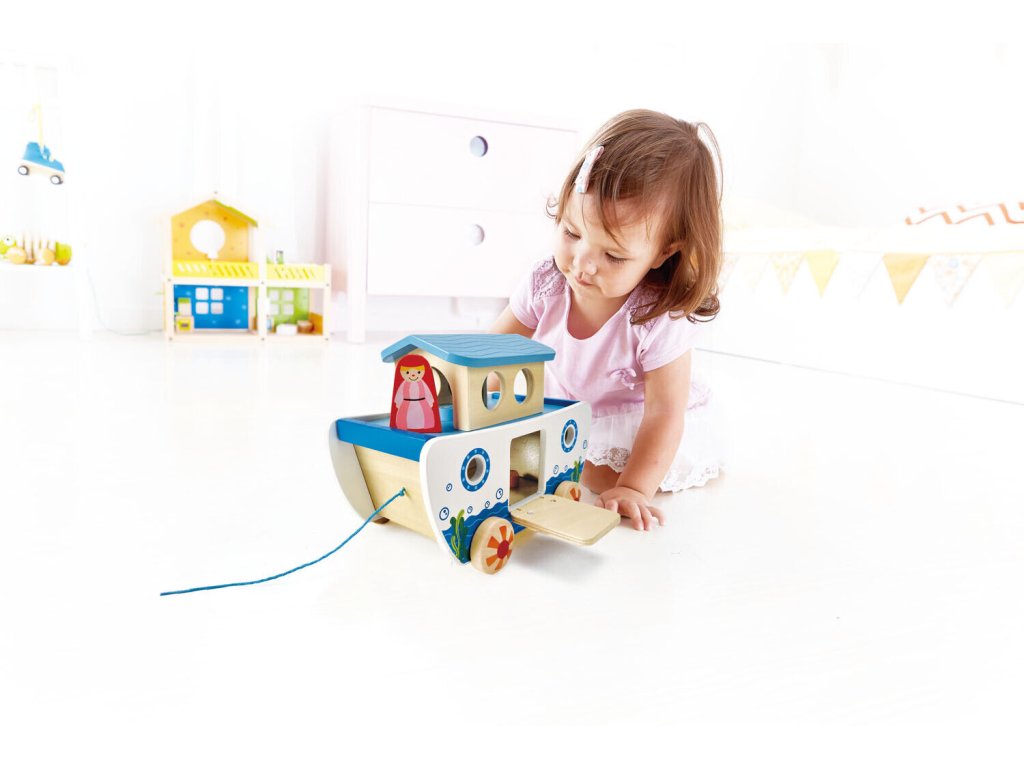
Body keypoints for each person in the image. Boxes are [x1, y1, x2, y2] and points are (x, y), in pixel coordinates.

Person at [490, 109, 723, 531]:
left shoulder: (657, 318)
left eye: (613, 255)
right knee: (520, 453)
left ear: (664, 252)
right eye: (571, 232)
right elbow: (495, 353)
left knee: (599, 479)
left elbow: (664, 413)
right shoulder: (547, 283)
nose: (582, 263)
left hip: (636, 423)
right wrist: (467, 404)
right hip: (565, 407)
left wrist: (635, 487)